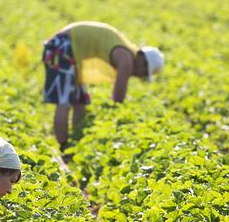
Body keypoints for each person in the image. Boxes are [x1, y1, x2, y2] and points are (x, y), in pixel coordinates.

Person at [42, 21, 164, 153]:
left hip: (71, 49)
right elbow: (118, 98)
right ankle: (64, 146)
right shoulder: (127, 59)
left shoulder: (126, 53)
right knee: (64, 100)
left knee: (80, 100)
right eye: (144, 72)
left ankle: (77, 143)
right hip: (62, 46)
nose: (140, 75)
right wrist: (118, 120)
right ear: (142, 60)